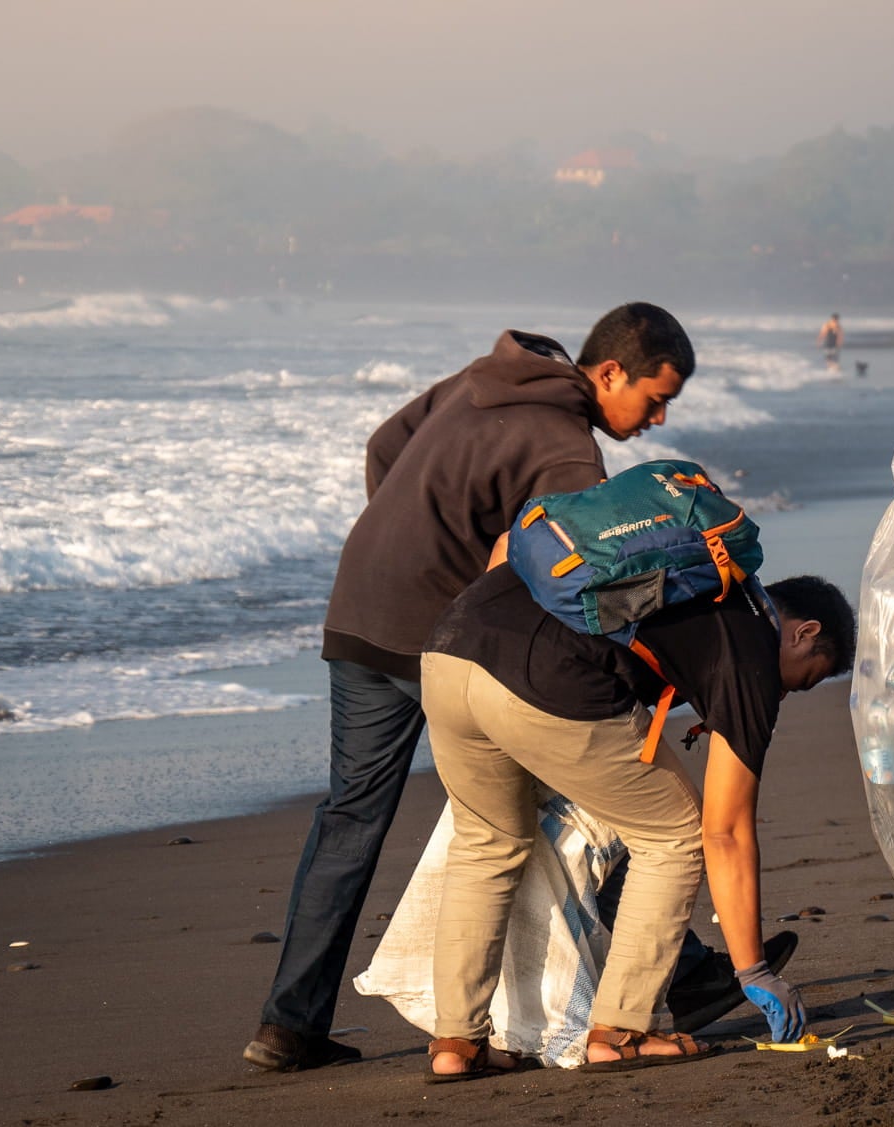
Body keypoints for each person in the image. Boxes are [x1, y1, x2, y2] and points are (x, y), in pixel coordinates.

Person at [245, 304, 717, 1072]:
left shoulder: (478, 379)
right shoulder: (568, 452)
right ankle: (686, 979)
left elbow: (383, 446)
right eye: (655, 398)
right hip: (449, 640)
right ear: (608, 373)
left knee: (352, 818)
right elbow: (575, 578)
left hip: (359, 604)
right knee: (582, 794)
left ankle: (287, 1024)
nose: (659, 419)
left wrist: (404, 542)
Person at [418, 568, 855, 1076]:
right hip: (549, 675)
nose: (782, 695)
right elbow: (724, 832)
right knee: (676, 836)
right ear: (805, 632)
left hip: (450, 647)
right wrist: (753, 970)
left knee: (487, 844)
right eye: (802, 679)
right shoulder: (752, 643)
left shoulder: (706, 579)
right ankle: (622, 1031)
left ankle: (456, 1044)